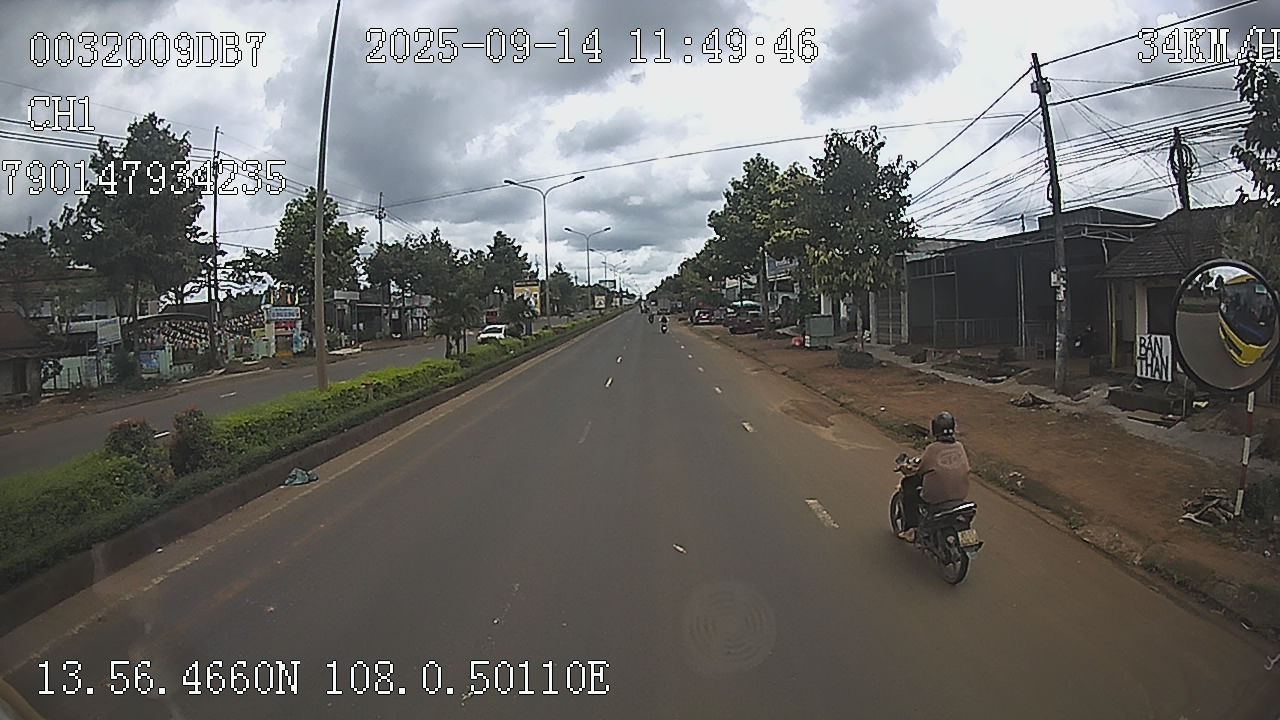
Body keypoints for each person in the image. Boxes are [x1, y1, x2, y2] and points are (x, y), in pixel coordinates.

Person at [898, 411, 971, 542]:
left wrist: (907, 468)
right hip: (960, 495)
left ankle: (911, 530)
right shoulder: (959, 446)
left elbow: (919, 470)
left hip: (936, 498)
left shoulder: (932, 449)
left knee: (908, 485)